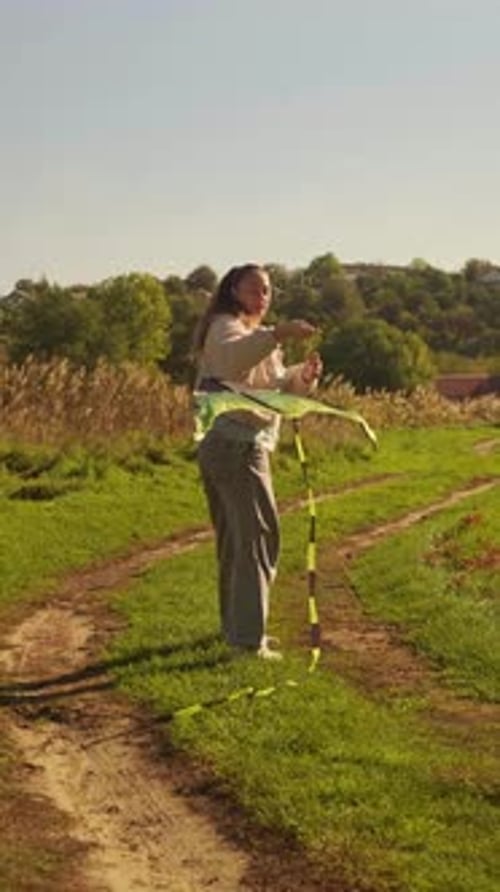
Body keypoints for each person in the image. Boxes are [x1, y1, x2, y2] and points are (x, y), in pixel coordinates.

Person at [193, 263, 322, 660]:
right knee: (258, 538)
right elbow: (233, 361)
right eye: (253, 290)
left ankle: (238, 631)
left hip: (234, 444)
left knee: (238, 542)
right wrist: (279, 332)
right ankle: (247, 641)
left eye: (266, 291)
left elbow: (277, 389)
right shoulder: (225, 327)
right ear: (234, 292)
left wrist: (305, 376)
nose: (262, 298)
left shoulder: (254, 335)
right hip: (235, 445)